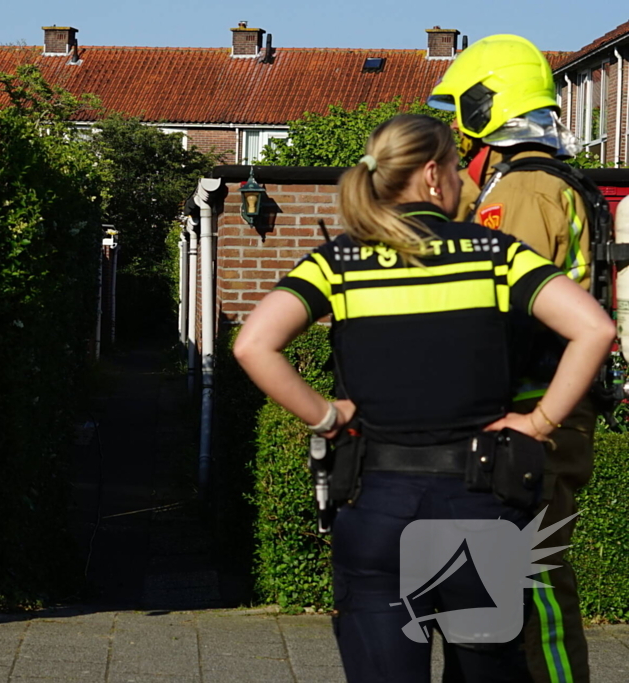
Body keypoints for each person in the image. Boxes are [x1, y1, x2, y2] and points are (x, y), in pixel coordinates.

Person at [233, 114, 614, 682]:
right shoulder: (494, 255)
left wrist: (326, 413)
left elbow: (252, 345)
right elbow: (595, 329)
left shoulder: (337, 262)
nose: (463, 182)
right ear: (433, 176)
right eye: (459, 169)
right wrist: (541, 421)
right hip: (480, 508)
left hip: (376, 507)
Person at [429, 34, 596, 683]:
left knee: (538, 580)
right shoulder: (535, 178)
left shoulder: (523, 189)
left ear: (487, 100)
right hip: (545, 404)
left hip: (534, 409)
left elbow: (505, 306)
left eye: (461, 107)